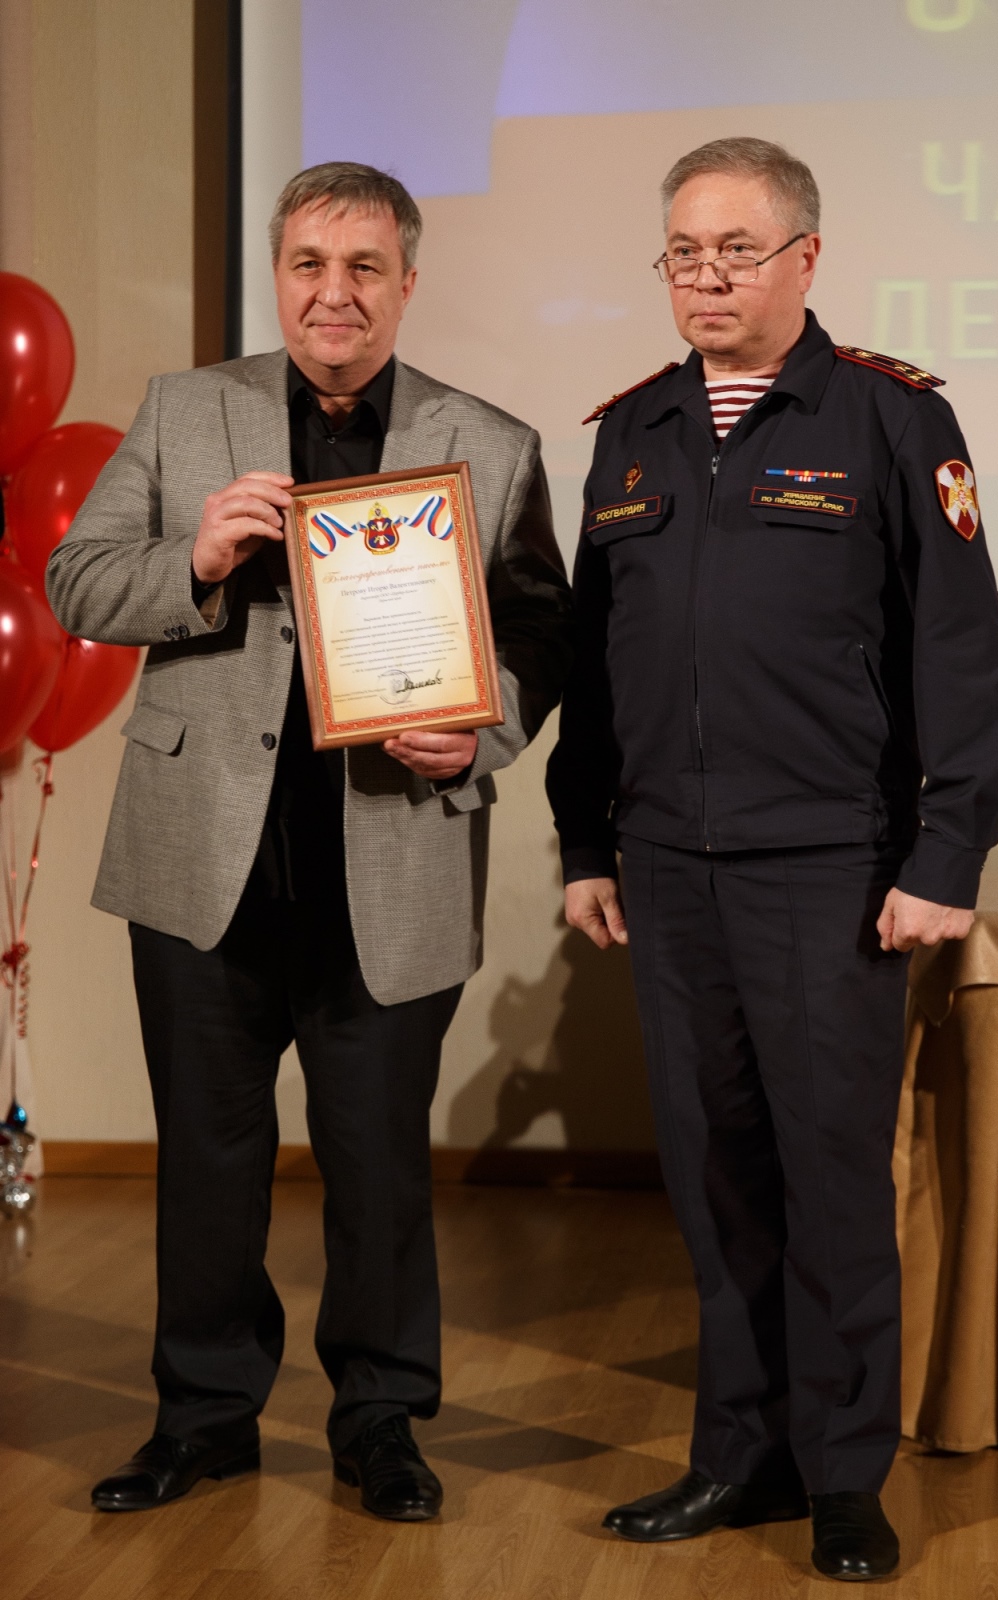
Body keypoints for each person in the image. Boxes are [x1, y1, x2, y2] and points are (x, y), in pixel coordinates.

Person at [47, 162, 571, 1520]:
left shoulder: (489, 440)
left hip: (391, 864)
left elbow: (540, 629)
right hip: (202, 865)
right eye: (308, 265)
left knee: (380, 1171)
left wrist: (484, 728)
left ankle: (382, 1421)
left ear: (406, 283)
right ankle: (204, 1418)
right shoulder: (185, 411)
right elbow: (76, 582)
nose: (334, 293)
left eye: (363, 267)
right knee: (205, 1164)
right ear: (278, 277)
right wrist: (196, 561)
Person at [546, 138, 998, 1583]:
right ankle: (736, 1458)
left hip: (830, 869)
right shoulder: (630, 430)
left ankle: (842, 1476)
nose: (707, 277)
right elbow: (598, 667)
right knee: (716, 1182)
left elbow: (961, 653)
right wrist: (584, 838)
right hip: (666, 866)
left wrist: (946, 852)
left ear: (805, 258)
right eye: (683, 252)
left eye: (736, 250)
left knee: (829, 1183)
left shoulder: (890, 417)